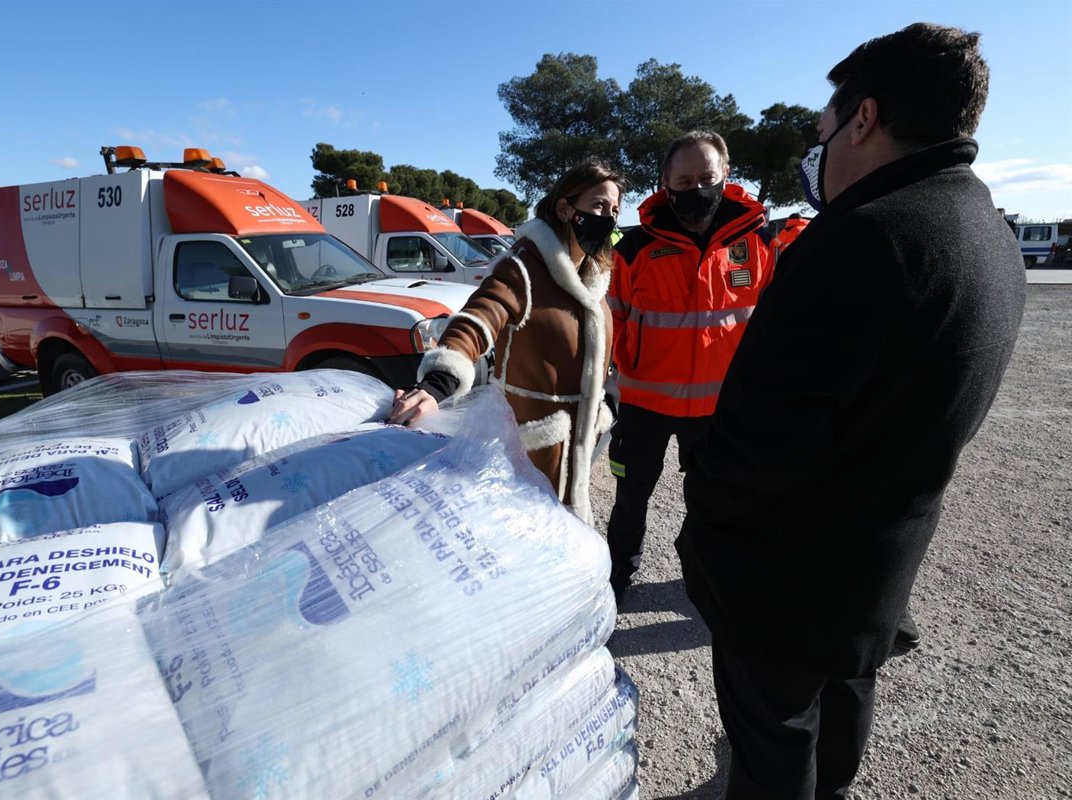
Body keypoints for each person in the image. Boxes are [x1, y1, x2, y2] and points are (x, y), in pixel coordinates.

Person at [675, 23, 1026, 799]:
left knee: (772, 747)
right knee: (839, 712)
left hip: (784, 584)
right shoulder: (989, 233)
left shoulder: (863, 237)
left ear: (863, 119)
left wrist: (705, 516)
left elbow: (762, 440)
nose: (818, 148)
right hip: (874, 567)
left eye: (822, 130)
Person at [388, 159, 624, 523]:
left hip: (576, 454)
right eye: (598, 205)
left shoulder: (594, 277)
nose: (609, 218)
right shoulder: (522, 269)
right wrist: (437, 384)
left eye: (615, 210)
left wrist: (608, 400)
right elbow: (478, 318)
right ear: (565, 208)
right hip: (528, 454)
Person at [605, 131, 771, 604]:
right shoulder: (633, 248)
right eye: (683, 181)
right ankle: (615, 578)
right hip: (644, 405)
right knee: (631, 498)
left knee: (715, 502)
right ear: (665, 183)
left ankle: (705, 577)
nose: (696, 188)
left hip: (719, 410)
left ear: (725, 175)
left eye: (706, 177)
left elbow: (771, 322)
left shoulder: (758, 242)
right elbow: (612, 320)